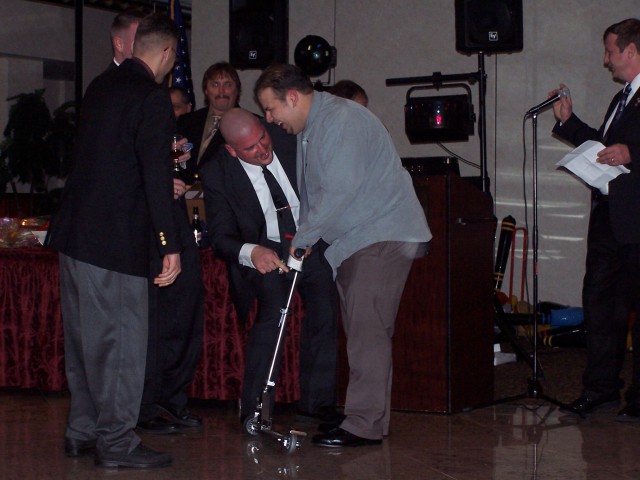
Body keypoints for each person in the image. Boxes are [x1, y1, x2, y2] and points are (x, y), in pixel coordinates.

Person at [254, 64, 432, 447]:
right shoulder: (314, 128)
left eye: (271, 109)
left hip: (379, 236)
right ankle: (368, 421)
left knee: (366, 334)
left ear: (292, 97)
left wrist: (302, 239)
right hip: (359, 241)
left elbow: (338, 191)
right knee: (366, 332)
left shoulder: (340, 120)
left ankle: (363, 425)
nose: (269, 119)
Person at [47, 13, 182, 468]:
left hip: (75, 236)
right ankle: (117, 443)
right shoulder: (151, 97)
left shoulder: (101, 86)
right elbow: (154, 176)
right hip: (116, 241)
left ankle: (82, 431)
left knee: (85, 343)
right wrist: (169, 242)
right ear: (166, 52)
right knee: (121, 345)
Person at [199, 108, 340, 428]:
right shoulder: (216, 172)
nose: (263, 150)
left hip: (308, 236)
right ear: (232, 151)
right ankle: (256, 409)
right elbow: (221, 236)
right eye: (250, 148)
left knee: (325, 309)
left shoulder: (290, 139)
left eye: (263, 139)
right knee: (274, 311)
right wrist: (252, 252)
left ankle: (318, 405)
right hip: (265, 247)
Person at [550, 18, 640, 420]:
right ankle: (601, 388)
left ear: (632, 51)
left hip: (636, 222)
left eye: (610, 51)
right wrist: (570, 123)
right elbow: (607, 149)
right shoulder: (621, 98)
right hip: (608, 220)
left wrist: (633, 153)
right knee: (601, 308)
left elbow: (627, 150)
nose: (606, 60)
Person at [177, 61, 242, 180]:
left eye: (227, 85)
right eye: (215, 85)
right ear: (206, 90)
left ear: (237, 90)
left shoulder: (251, 124)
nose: (221, 92)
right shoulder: (186, 121)